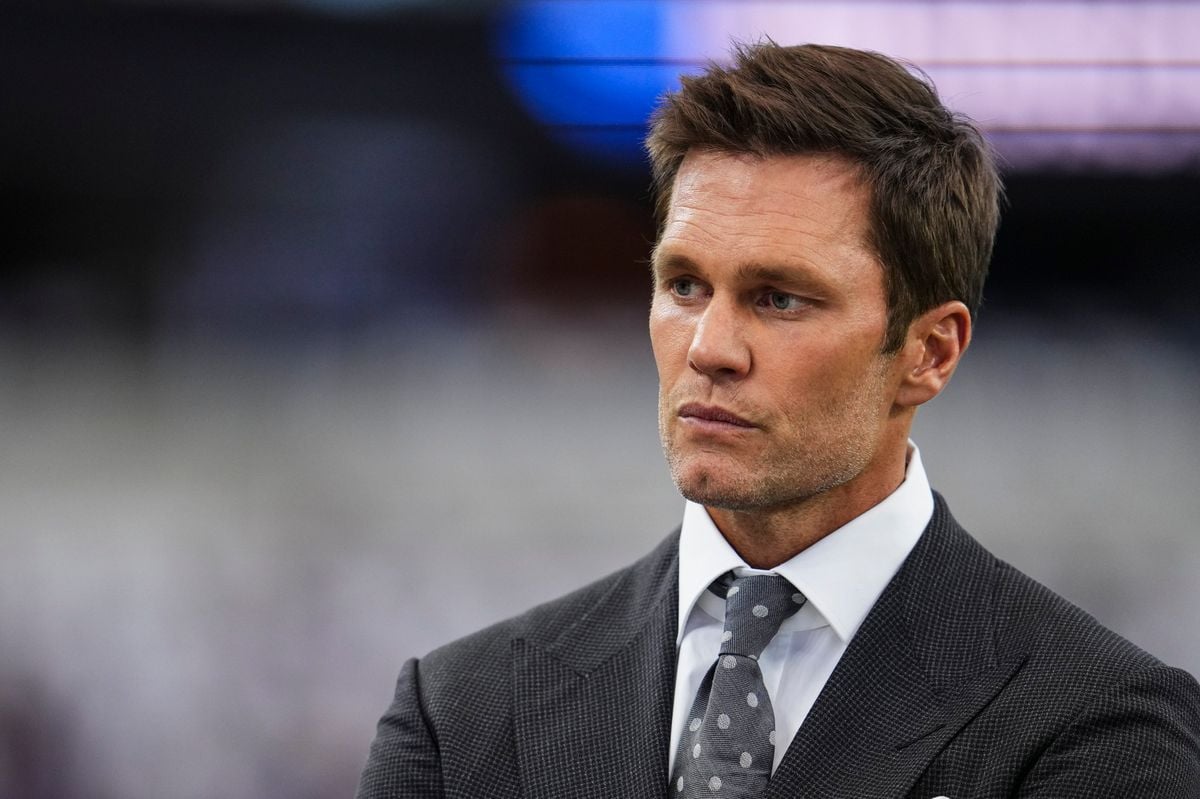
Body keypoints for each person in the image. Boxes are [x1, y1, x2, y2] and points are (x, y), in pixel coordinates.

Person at [356, 42, 1200, 797]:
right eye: (684, 285)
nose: (711, 347)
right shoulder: (457, 717)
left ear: (930, 352)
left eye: (779, 298)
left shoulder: (1098, 727)